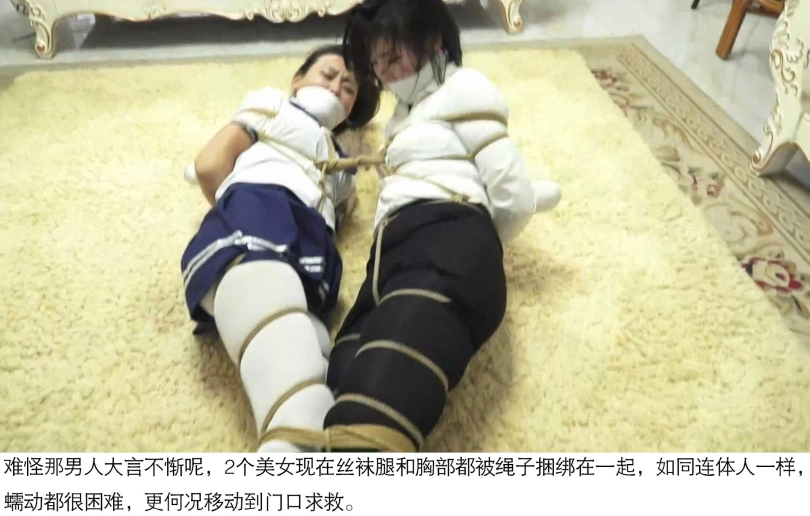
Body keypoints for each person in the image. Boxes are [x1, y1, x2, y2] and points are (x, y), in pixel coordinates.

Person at [322, 0, 562, 452]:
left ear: (433, 41)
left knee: (369, 422)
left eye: (393, 57)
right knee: (340, 380)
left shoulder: (464, 88)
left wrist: (479, 240)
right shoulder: (404, 113)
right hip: (389, 263)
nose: (385, 72)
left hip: (446, 242)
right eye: (377, 63)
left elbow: (511, 195)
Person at [180, 44, 381, 453]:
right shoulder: (272, 105)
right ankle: (290, 442)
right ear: (298, 80)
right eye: (328, 75)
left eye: (348, 88)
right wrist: (239, 206)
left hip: (313, 243)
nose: (337, 88)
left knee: (314, 349)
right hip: (263, 206)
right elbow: (209, 164)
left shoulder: (343, 160)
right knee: (298, 393)